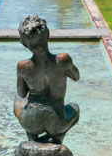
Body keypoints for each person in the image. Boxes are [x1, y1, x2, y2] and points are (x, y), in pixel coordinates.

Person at [13, 15, 80, 144]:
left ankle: (32, 137)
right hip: (57, 123)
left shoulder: (23, 66)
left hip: (31, 122)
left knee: (17, 102)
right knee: (75, 108)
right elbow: (76, 77)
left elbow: (21, 94)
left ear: (25, 43)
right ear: (47, 35)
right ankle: (58, 137)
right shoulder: (63, 59)